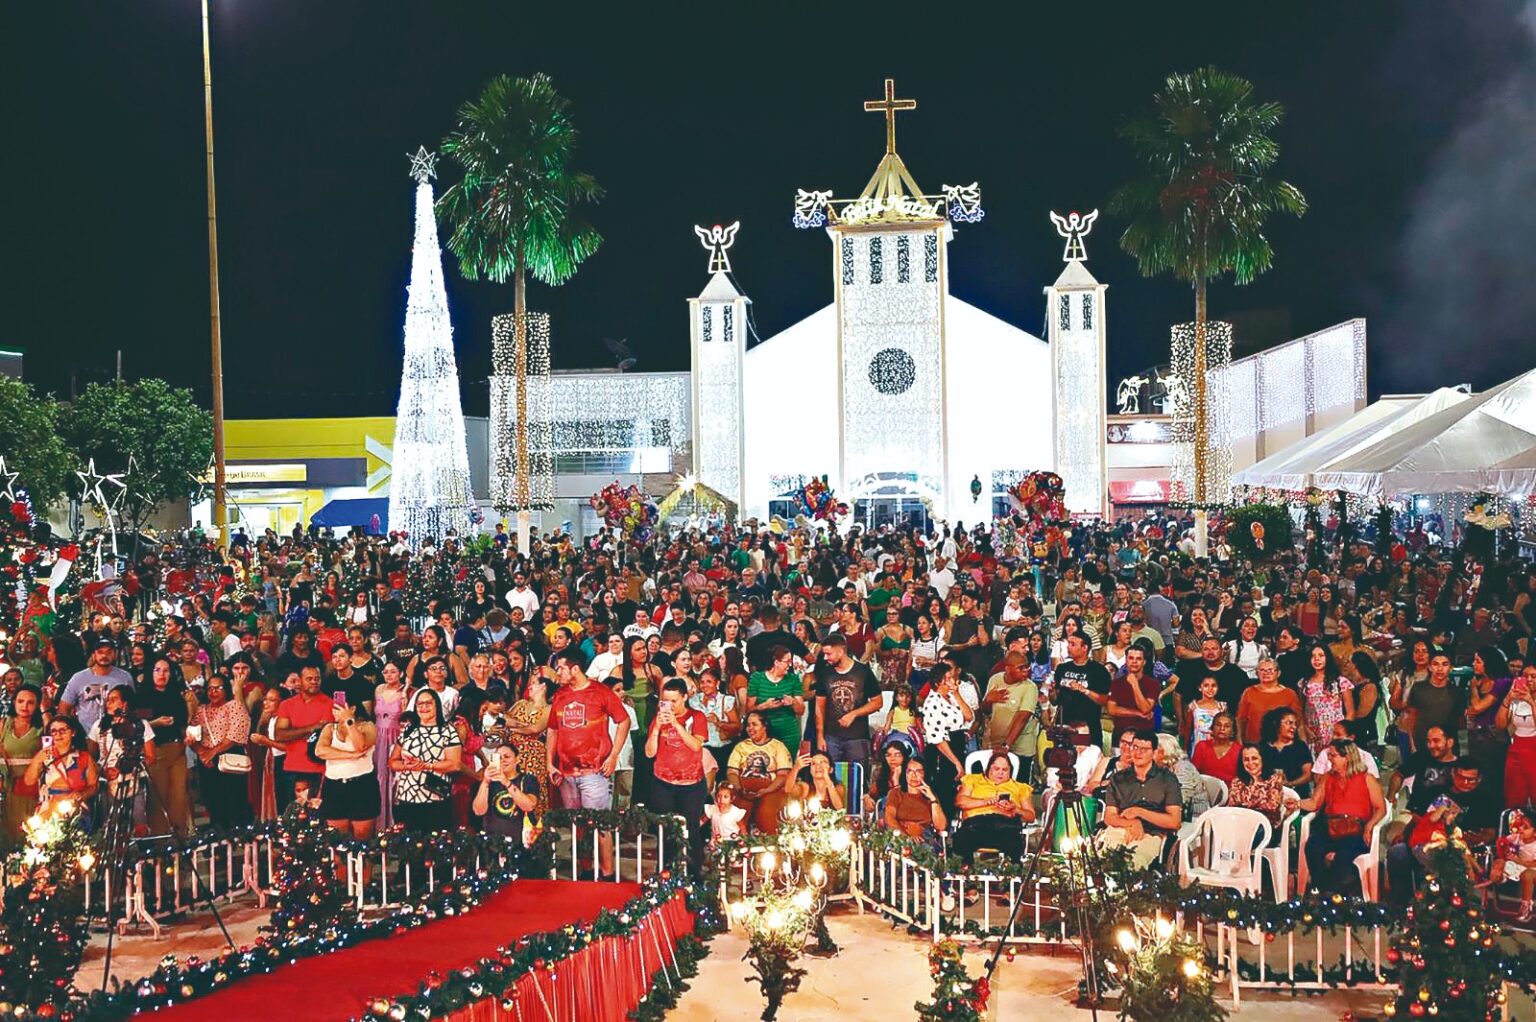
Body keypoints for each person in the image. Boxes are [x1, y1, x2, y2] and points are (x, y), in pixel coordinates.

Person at [546, 650, 630, 876]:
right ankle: (584, 869)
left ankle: (607, 873)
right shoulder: (560, 695)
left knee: (600, 824)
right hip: (566, 771)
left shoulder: (600, 692)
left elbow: (624, 721)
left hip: (594, 770)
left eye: (561, 668)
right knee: (577, 825)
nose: (557, 673)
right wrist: (549, 763)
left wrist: (613, 757)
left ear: (575, 669)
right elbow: (553, 728)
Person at [1287, 739, 1386, 895]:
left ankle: (1329, 894)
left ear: (1346, 758)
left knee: (1343, 856)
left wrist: (1369, 826)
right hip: (1332, 828)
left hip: (1356, 831)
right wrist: (1297, 804)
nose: (1329, 759)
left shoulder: (1367, 778)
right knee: (1312, 846)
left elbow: (1381, 808)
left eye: (1333, 756)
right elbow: (1314, 803)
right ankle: (1323, 890)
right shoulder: (1328, 777)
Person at [645, 678, 709, 871]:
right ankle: (666, 872)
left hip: (691, 784)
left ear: (684, 698)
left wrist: (676, 725)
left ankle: (694, 875)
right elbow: (649, 752)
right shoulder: (659, 719)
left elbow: (696, 745)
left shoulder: (696, 717)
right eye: (666, 701)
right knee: (665, 829)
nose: (670, 706)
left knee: (690, 829)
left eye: (674, 701)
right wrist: (656, 727)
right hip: (663, 782)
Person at [1098, 728, 1182, 869]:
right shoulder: (1118, 779)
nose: (1138, 752)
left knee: (1134, 861)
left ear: (1154, 753)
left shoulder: (1167, 780)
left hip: (1151, 834)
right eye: (1135, 747)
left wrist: (1139, 812)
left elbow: (1174, 822)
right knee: (1107, 856)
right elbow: (1109, 817)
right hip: (1121, 828)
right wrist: (1131, 823)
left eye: (1144, 749)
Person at [390, 688, 463, 833]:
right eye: (420, 704)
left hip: (435, 798)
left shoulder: (448, 731)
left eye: (428, 703)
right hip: (407, 797)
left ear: (437, 705)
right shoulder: (409, 730)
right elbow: (393, 761)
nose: (424, 707)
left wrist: (426, 766)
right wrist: (407, 766)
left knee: (434, 847)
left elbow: (455, 765)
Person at [952, 751, 1035, 865]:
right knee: (961, 840)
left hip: (1005, 826)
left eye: (1005, 770)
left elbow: (1031, 816)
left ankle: (1011, 878)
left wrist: (1015, 808)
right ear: (988, 769)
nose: (1000, 773)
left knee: (1014, 844)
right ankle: (967, 876)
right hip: (975, 824)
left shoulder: (1020, 787)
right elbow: (960, 802)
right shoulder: (973, 780)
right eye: (996, 769)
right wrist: (986, 801)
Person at [192, 673, 251, 830]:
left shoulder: (234, 706)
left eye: (218, 688)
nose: (213, 692)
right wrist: (202, 753)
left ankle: (240, 836)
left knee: (235, 800)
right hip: (207, 761)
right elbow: (193, 734)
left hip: (230, 757)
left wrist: (213, 752)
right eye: (210, 688)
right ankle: (219, 839)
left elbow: (235, 734)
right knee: (212, 801)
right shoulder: (201, 710)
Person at [140, 656, 192, 834]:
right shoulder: (142, 695)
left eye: (166, 670)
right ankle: (160, 839)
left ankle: (180, 836)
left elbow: (183, 723)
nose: (162, 674)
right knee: (158, 797)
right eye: (157, 670)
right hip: (156, 750)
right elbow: (138, 725)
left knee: (178, 795)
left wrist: (188, 737)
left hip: (177, 750)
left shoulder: (176, 696)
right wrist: (155, 723)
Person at [813, 633, 882, 767]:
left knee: (857, 776)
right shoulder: (825, 674)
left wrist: (854, 714)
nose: (826, 658)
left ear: (841, 651)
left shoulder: (863, 671)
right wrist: (820, 736)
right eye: (824, 654)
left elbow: (877, 702)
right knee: (831, 775)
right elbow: (819, 707)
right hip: (831, 737)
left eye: (829, 654)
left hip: (857, 737)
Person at [314, 699, 379, 839]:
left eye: (341, 706)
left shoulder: (367, 726)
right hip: (334, 787)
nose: (336, 709)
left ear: (353, 708)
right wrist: (351, 755)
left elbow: (360, 746)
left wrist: (349, 721)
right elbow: (320, 751)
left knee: (362, 839)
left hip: (362, 786)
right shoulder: (329, 728)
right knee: (337, 839)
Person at [274, 665, 332, 807]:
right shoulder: (287, 705)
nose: (314, 682)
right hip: (291, 767)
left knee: (316, 818)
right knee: (291, 815)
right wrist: (312, 728)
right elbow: (279, 735)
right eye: (309, 679)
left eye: (317, 679)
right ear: (299, 681)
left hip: (318, 769)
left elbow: (325, 735)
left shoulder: (330, 704)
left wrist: (293, 732)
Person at [919, 663, 973, 819]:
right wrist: (955, 762)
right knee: (944, 791)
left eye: (952, 678)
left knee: (954, 790)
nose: (952, 681)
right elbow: (937, 738)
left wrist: (957, 695)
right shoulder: (932, 702)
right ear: (938, 682)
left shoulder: (950, 697)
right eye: (948, 679)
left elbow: (969, 717)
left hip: (957, 742)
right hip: (943, 751)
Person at [727, 710, 793, 834]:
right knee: (736, 816)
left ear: (765, 726)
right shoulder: (741, 746)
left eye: (754, 724)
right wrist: (740, 789)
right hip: (744, 788)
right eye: (748, 725)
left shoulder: (778, 746)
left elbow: (783, 775)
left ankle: (771, 847)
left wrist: (767, 790)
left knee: (765, 813)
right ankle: (738, 848)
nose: (750, 728)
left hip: (771, 788)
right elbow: (732, 772)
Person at [25, 717, 99, 818]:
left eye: (62, 730)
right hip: (49, 810)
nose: (58, 735)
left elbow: (94, 786)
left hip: (76, 809)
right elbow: (29, 781)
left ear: (73, 732)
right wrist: (37, 760)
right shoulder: (45, 755)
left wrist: (82, 794)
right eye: (54, 731)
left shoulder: (84, 757)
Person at [980, 653, 1040, 779]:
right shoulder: (995, 679)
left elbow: (1022, 718)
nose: (1026, 670)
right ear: (1008, 668)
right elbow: (985, 711)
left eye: (1027, 667)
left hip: (1020, 748)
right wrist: (988, 700)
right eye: (1021, 668)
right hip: (995, 745)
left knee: (1019, 789)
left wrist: (1006, 745)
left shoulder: (1030, 687)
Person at [58, 639, 135, 735]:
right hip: (84, 736)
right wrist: (73, 731)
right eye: (100, 652)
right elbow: (63, 708)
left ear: (115, 654)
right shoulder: (79, 678)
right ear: (94, 655)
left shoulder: (125, 677)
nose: (104, 656)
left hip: (116, 737)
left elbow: (132, 707)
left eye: (109, 652)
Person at [1051, 632, 1112, 750]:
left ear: (1085, 648)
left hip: (1088, 725)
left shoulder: (1099, 671)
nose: (1069, 647)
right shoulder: (1062, 668)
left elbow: (1103, 700)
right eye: (1068, 643)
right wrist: (1051, 692)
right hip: (1064, 724)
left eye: (1073, 644)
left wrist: (1085, 690)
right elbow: (1055, 701)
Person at [472, 742, 540, 849]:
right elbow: (478, 811)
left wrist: (506, 782)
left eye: (507, 757)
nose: (502, 760)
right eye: (498, 758)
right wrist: (485, 782)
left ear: (517, 759)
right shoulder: (487, 783)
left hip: (520, 844)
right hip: (492, 844)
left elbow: (529, 806)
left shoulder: (528, 780)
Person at [0, 685, 42, 848]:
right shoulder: (4, 724)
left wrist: (46, 714)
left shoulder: (41, 727)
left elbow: (50, 756)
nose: (25, 706)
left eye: (31, 702)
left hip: (29, 785)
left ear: (38, 705)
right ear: (14, 703)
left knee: (26, 828)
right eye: (21, 701)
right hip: (5, 782)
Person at [746, 644, 805, 754]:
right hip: (764, 735)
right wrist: (764, 706)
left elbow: (801, 710)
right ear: (776, 662)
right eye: (787, 661)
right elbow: (748, 710)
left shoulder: (793, 679)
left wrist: (792, 702)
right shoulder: (757, 679)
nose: (790, 665)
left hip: (789, 734)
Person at [1481, 808, 1536, 920]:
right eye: (1520, 825)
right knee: (1500, 862)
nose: (1520, 829)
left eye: (1525, 827)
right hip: (1518, 866)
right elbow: (1502, 841)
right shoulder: (1517, 838)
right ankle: (1499, 877)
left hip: (1532, 869)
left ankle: (1526, 905)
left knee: (1527, 874)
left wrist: (1517, 860)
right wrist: (1504, 849)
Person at [1299, 645, 1354, 755]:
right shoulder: (1304, 683)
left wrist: (1342, 734)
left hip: (1335, 732)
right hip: (1314, 735)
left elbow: (1350, 712)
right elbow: (1301, 710)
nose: (1317, 659)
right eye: (1313, 656)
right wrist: (1306, 730)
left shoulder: (1340, 682)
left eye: (1321, 655)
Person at [883, 757, 947, 846]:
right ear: (905, 774)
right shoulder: (895, 793)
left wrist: (932, 799)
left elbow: (941, 826)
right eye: (910, 771)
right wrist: (906, 837)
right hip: (899, 836)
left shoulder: (930, 796)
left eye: (918, 771)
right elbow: (889, 818)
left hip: (924, 838)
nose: (914, 775)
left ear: (925, 774)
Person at [1497, 663, 1536, 808]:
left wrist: (1531, 702)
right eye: (1526, 676)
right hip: (1517, 749)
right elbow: (1500, 725)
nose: (1529, 680)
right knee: (1514, 794)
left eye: (1534, 676)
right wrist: (1508, 699)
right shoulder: (1516, 700)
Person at [688, 667, 739, 776]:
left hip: (721, 749)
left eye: (709, 682)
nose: (704, 685)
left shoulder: (726, 701)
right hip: (701, 749)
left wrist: (718, 722)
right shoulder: (694, 701)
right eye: (702, 682)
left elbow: (737, 726)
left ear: (717, 683)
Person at [1227, 743, 1287, 827]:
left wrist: (1244, 805)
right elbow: (1232, 807)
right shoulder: (1237, 781)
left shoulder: (1274, 780)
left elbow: (1272, 806)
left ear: (1262, 759)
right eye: (1246, 759)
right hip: (1241, 824)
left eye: (1254, 758)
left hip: (1266, 826)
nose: (1250, 763)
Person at [1156, 732, 1210, 822]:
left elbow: (1181, 800)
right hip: (1167, 812)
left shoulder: (1184, 769)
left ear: (1165, 752)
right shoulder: (1159, 767)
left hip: (1193, 817)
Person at [705, 782, 747, 848]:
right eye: (719, 796)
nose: (721, 800)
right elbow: (702, 820)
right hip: (716, 841)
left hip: (732, 841)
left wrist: (744, 841)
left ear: (732, 798)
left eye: (725, 797)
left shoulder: (735, 812)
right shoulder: (712, 809)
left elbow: (742, 827)